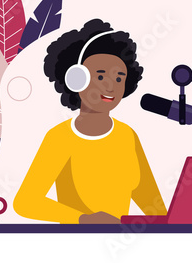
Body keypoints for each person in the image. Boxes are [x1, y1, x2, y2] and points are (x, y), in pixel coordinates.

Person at [13, 19, 167, 224]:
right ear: (76, 79)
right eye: (101, 77)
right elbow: (26, 202)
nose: (111, 87)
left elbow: (153, 206)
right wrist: (82, 219)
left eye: (119, 78)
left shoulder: (127, 136)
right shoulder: (59, 138)